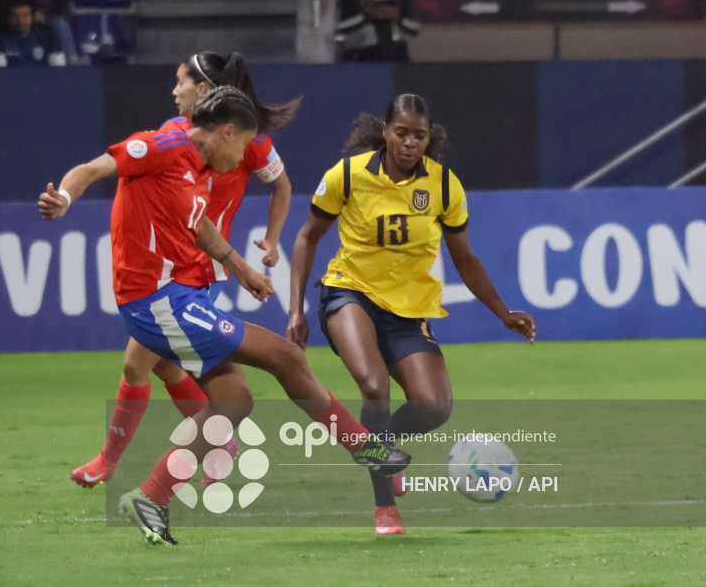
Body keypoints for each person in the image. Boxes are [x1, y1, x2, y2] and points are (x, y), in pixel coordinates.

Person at [39, 86, 411, 546]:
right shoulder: (161, 145)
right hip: (156, 304)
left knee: (234, 400)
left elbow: (199, 226)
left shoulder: (199, 165)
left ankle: (151, 497)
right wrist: (65, 199)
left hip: (175, 297)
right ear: (228, 132)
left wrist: (242, 269)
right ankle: (366, 449)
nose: (241, 159)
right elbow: (93, 168)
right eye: (243, 146)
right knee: (286, 357)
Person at [286, 94, 537, 535]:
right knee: (374, 386)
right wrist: (296, 310)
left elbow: (465, 258)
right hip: (349, 292)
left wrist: (502, 312)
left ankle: (380, 443)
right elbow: (307, 237)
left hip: (407, 310)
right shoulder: (348, 175)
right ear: (385, 131)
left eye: (419, 135)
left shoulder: (443, 186)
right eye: (401, 133)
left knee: (434, 408)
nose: (409, 142)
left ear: (428, 138)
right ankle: (385, 507)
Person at [69, 51, 301, 491]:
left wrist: (270, 240)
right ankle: (209, 442)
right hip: (174, 266)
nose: (175, 90)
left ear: (204, 90)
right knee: (153, 366)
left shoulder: (248, 139)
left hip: (197, 270)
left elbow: (281, 186)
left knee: (143, 365)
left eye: (181, 82)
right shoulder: (175, 135)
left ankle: (128, 462)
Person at [336, 0, 419, 63]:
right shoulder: (351, 0)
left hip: (396, 54)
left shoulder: (402, 0)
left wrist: (398, 18)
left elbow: (414, 28)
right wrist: (366, 15)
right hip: (362, 53)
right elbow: (342, 26)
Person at [0, 0, 65, 66]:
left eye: (25, 16)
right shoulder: (2, 39)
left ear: (33, 17)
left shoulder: (45, 36)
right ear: (10, 18)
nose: (20, 20)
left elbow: (58, 65)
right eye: (15, 16)